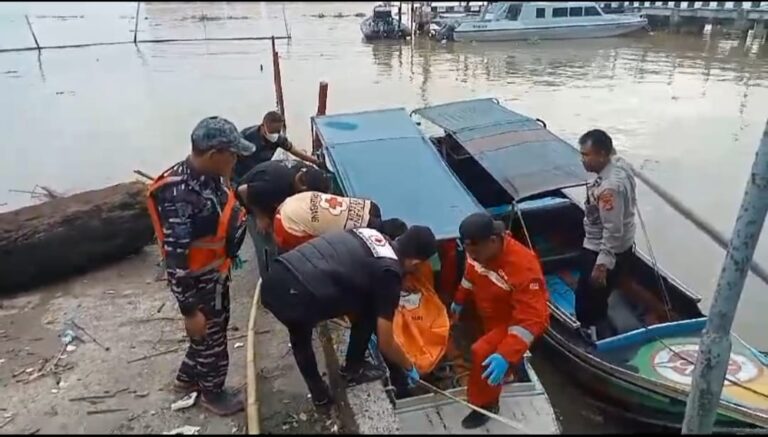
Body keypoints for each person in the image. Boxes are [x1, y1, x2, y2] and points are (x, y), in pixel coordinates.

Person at [260, 225, 438, 407]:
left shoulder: (371, 233)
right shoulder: (390, 273)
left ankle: (321, 394)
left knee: (300, 335)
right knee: (368, 311)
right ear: (415, 263)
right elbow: (386, 342)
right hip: (297, 294)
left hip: (275, 276)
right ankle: (352, 370)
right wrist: (409, 367)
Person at [146, 116, 253, 416]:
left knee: (207, 334)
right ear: (212, 155)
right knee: (213, 340)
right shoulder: (179, 194)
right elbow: (176, 259)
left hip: (216, 273)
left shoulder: (209, 177)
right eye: (231, 154)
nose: (235, 159)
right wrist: (189, 310)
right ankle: (212, 393)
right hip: (198, 280)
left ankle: (188, 377)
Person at [449, 213, 550, 429]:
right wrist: (459, 299)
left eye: (474, 251)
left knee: (481, 351)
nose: (471, 256)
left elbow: (532, 318)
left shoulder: (523, 267)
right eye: (468, 250)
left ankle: (485, 404)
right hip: (487, 312)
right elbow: (471, 274)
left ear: (493, 241)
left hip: (513, 321)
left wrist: (505, 354)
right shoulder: (477, 250)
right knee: (491, 345)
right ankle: (513, 368)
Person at [576, 129, 637, 340]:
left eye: (586, 155)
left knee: (588, 299)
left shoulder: (609, 189)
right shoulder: (621, 165)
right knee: (600, 293)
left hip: (601, 249)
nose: (582, 159)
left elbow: (613, 229)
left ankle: (596, 334)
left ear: (602, 154)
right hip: (625, 245)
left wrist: (601, 265)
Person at [236, 160, 330, 275]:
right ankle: (269, 277)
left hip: (272, 199)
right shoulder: (276, 186)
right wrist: (260, 217)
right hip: (253, 202)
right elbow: (242, 191)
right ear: (302, 188)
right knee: (268, 246)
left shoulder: (306, 172)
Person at [272, 190, 406, 251]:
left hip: (293, 202)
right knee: (318, 251)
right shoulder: (363, 236)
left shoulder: (372, 207)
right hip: (286, 227)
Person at [232, 111, 322, 183]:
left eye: (278, 131)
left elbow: (295, 151)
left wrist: (316, 161)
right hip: (241, 173)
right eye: (272, 132)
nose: (275, 135)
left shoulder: (279, 139)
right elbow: (231, 157)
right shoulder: (246, 137)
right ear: (263, 126)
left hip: (260, 171)